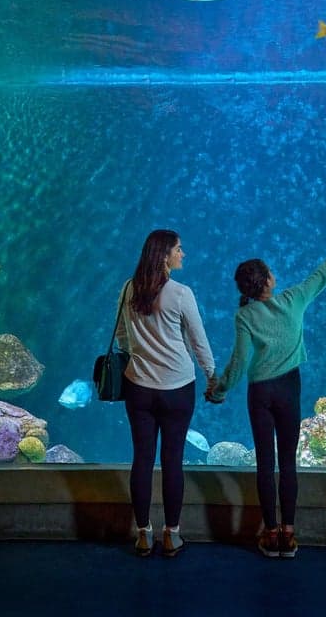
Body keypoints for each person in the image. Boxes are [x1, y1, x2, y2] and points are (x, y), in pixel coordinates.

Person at [206, 230, 326, 559]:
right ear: (267, 281)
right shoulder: (293, 300)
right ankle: (289, 535)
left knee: (266, 464)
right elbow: (321, 275)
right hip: (289, 388)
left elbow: (238, 362)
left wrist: (218, 391)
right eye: (271, 271)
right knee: (287, 464)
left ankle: (271, 532)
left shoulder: (244, 315)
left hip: (260, 392)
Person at [116, 229, 216, 557]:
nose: (183, 254)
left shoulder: (129, 289)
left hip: (139, 388)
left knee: (142, 460)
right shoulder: (181, 293)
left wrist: (141, 355)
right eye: (178, 249)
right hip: (177, 389)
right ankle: (172, 535)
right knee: (172, 460)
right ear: (164, 256)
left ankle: (143, 535)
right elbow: (199, 342)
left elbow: (121, 338)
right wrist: (213, 378)